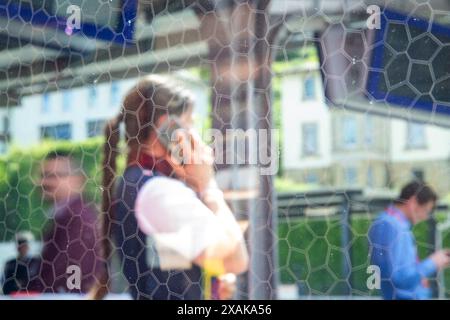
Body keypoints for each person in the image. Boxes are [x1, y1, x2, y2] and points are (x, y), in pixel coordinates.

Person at [90, 75, 249, 300]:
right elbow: (236, 259)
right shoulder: (160, 192)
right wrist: (208, 185)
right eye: (191, 122)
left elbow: (177, 261)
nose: (195, 132)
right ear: (169, 127)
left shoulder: (139, 183)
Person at [368, 181, 450, 299]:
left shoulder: (394, 223)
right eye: (426, 210)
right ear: (413, 202)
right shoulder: (391, 225)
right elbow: (398, 278)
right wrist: (433, 262)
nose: (425, 217)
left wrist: (422, 276)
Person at [36, 150, 102, 293]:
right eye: (42, 176)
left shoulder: (78, 221)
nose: (43, 182)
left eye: (52, 176)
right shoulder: (65, 216)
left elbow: (66, 280)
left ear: (77, 180)